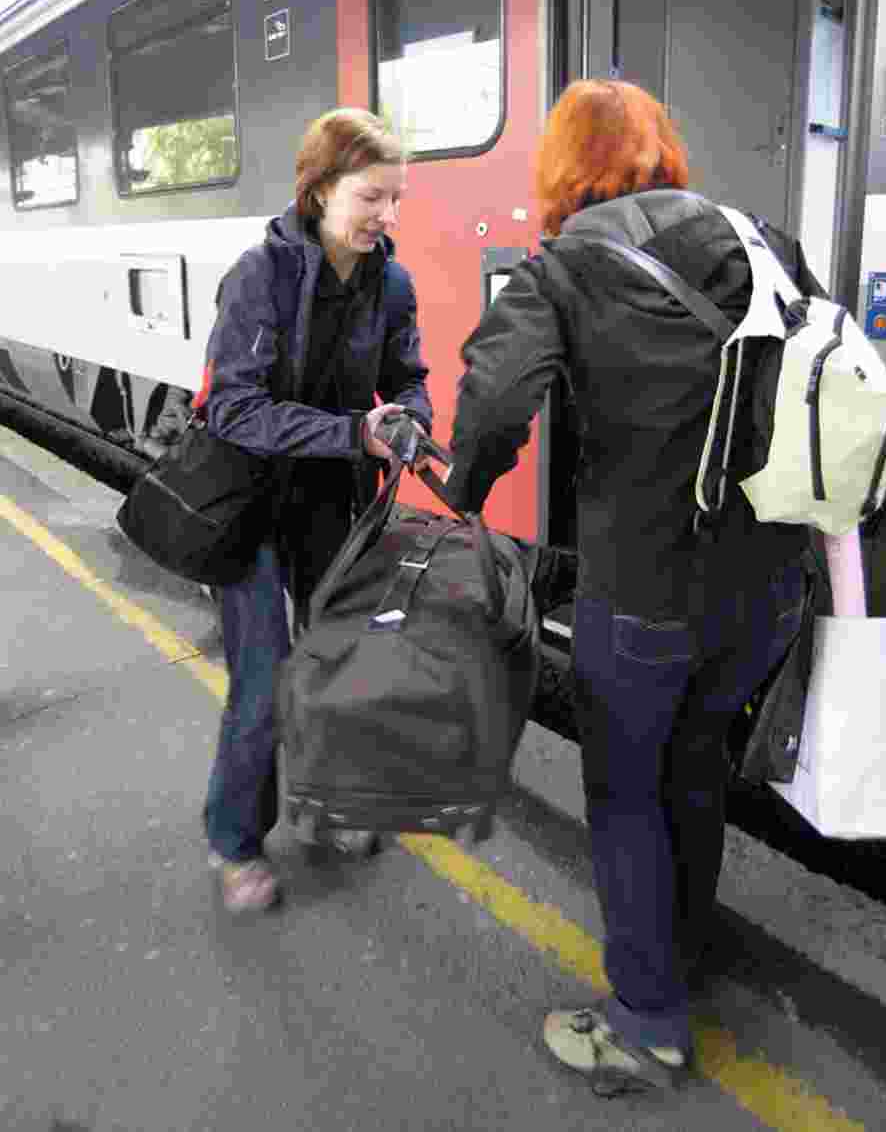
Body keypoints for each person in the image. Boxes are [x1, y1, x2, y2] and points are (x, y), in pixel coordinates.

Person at [444, 80, 823, 1095]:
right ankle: (684, 945)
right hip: (768, 588)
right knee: (696, 762)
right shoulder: (763, 241)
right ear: (663, 150)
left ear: (564, 168)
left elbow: (492, 409)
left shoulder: (561, 267)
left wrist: (462, 496)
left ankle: (647, 1023)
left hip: (646, 593)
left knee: (623, 797)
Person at [200, 108, 432, 914]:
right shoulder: (258, 276)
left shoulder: (390, 284)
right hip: (253, 509)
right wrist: (350, 431)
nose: (389, 217)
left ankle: (328, 810)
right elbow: (232, 408)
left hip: (337, 507)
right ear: (320, 188)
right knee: (263, 683)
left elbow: (409, 377)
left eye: (397, 199)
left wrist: (411, 418)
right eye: (373, 197)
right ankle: (234, 839)